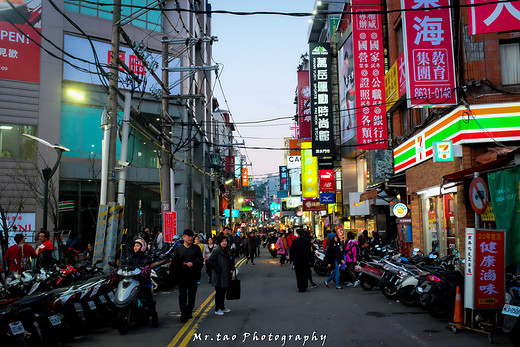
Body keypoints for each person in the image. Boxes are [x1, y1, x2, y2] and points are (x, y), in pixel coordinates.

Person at [171, 229, 203, 323]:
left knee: (192, 294)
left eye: (191, 237)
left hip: (193, 275)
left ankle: (189, 311)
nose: (190, 238)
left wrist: (193, 263)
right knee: (182, 295)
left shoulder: (196, 248)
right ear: (183, 237)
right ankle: (183, 313)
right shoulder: (178, 248)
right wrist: (183, 264)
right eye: (188, 236)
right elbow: (174, 261)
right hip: (182, 275)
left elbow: (200, 261)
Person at [125, 238, 159, 327]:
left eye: (137, 246)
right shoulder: (131, 257)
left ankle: (155, 318)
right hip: (132, 280)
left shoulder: (146, 258)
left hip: (144, 281)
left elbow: (148, 266)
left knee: (149, 300)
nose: (135, 248)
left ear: (143, 247)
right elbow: (126, 265)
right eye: (134, 246)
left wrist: (145, 269)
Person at [207, 235, 234, 316]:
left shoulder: (226, 250)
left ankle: (222, 307)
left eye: (225, 241)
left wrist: (232, 266)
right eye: (223, 241)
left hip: (226, 274)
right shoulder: (217, 250)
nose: (224, 243)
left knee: (223, 291)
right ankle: (217, 308)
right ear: (219, 242)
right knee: (219, 292)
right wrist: (217, 268)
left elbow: (229, 259)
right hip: (219, 275)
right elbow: (210, 260)